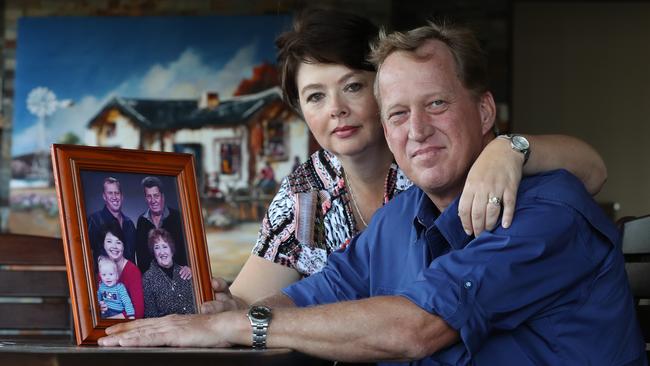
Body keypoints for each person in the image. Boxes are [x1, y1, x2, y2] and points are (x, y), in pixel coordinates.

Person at [98, 18, 644, 366]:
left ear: (483, 112)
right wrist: (222, 314)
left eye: (436, 105)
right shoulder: (393, 215)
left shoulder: (541, 208)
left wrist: (234, 325)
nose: (417, 130)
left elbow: (418, 327)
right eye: (399, 114)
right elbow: (309, 295)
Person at [217, 8, 607, 308]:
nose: (336, 109)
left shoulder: (438, 164)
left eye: (352, 86)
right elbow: (262, 300)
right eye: (315, 96)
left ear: (384, 87)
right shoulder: (309, 190)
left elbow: (592, 170)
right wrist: (227, 310)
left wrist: (510, 149)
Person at [135, 176, 190, 279]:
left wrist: (189, 266)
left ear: (162, 196)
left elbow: (188, 249)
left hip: (179, 276)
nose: (153, 200)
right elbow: (141, 258)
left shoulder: (177, 217)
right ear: (145, 198)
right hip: (153, 279)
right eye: (149, 196)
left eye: (156, 195)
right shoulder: (141, 221)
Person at [142, 228, 195, 318]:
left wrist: (194, 272)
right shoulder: (148, 278)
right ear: (153, 252)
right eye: (157, 247)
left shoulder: (186, 271)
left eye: (165, 246)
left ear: (172, 250)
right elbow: (151, 316)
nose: (162, 252)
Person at [99, 222, 144, 319]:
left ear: (123, 246)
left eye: (118, 242)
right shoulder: (101, 269)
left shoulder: (132, 271)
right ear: (103, 244)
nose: (114, 246)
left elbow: (138, 311)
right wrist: (99, 306)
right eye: (109, 241)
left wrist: (109, 320)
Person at [87, 177, 137, 266]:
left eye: (117, 193)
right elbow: (87, 256)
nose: (114, 197)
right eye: (110, 193)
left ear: (122, 196)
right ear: (104, 196)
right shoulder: (94, 221)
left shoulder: (129, 224)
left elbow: (132, 258)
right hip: (104, 278)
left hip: (128, 277)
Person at [96, 255, 135, 320]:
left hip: (117, 312)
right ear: (100, 275)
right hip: (105, 312)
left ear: (116, 275)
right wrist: (99, 304)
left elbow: (127, 302)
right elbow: (98, 297)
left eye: (111, 274)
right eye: (104, 275)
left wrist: (131, 315)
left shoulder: (120, 287)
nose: (107, 277)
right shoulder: (101, 286)